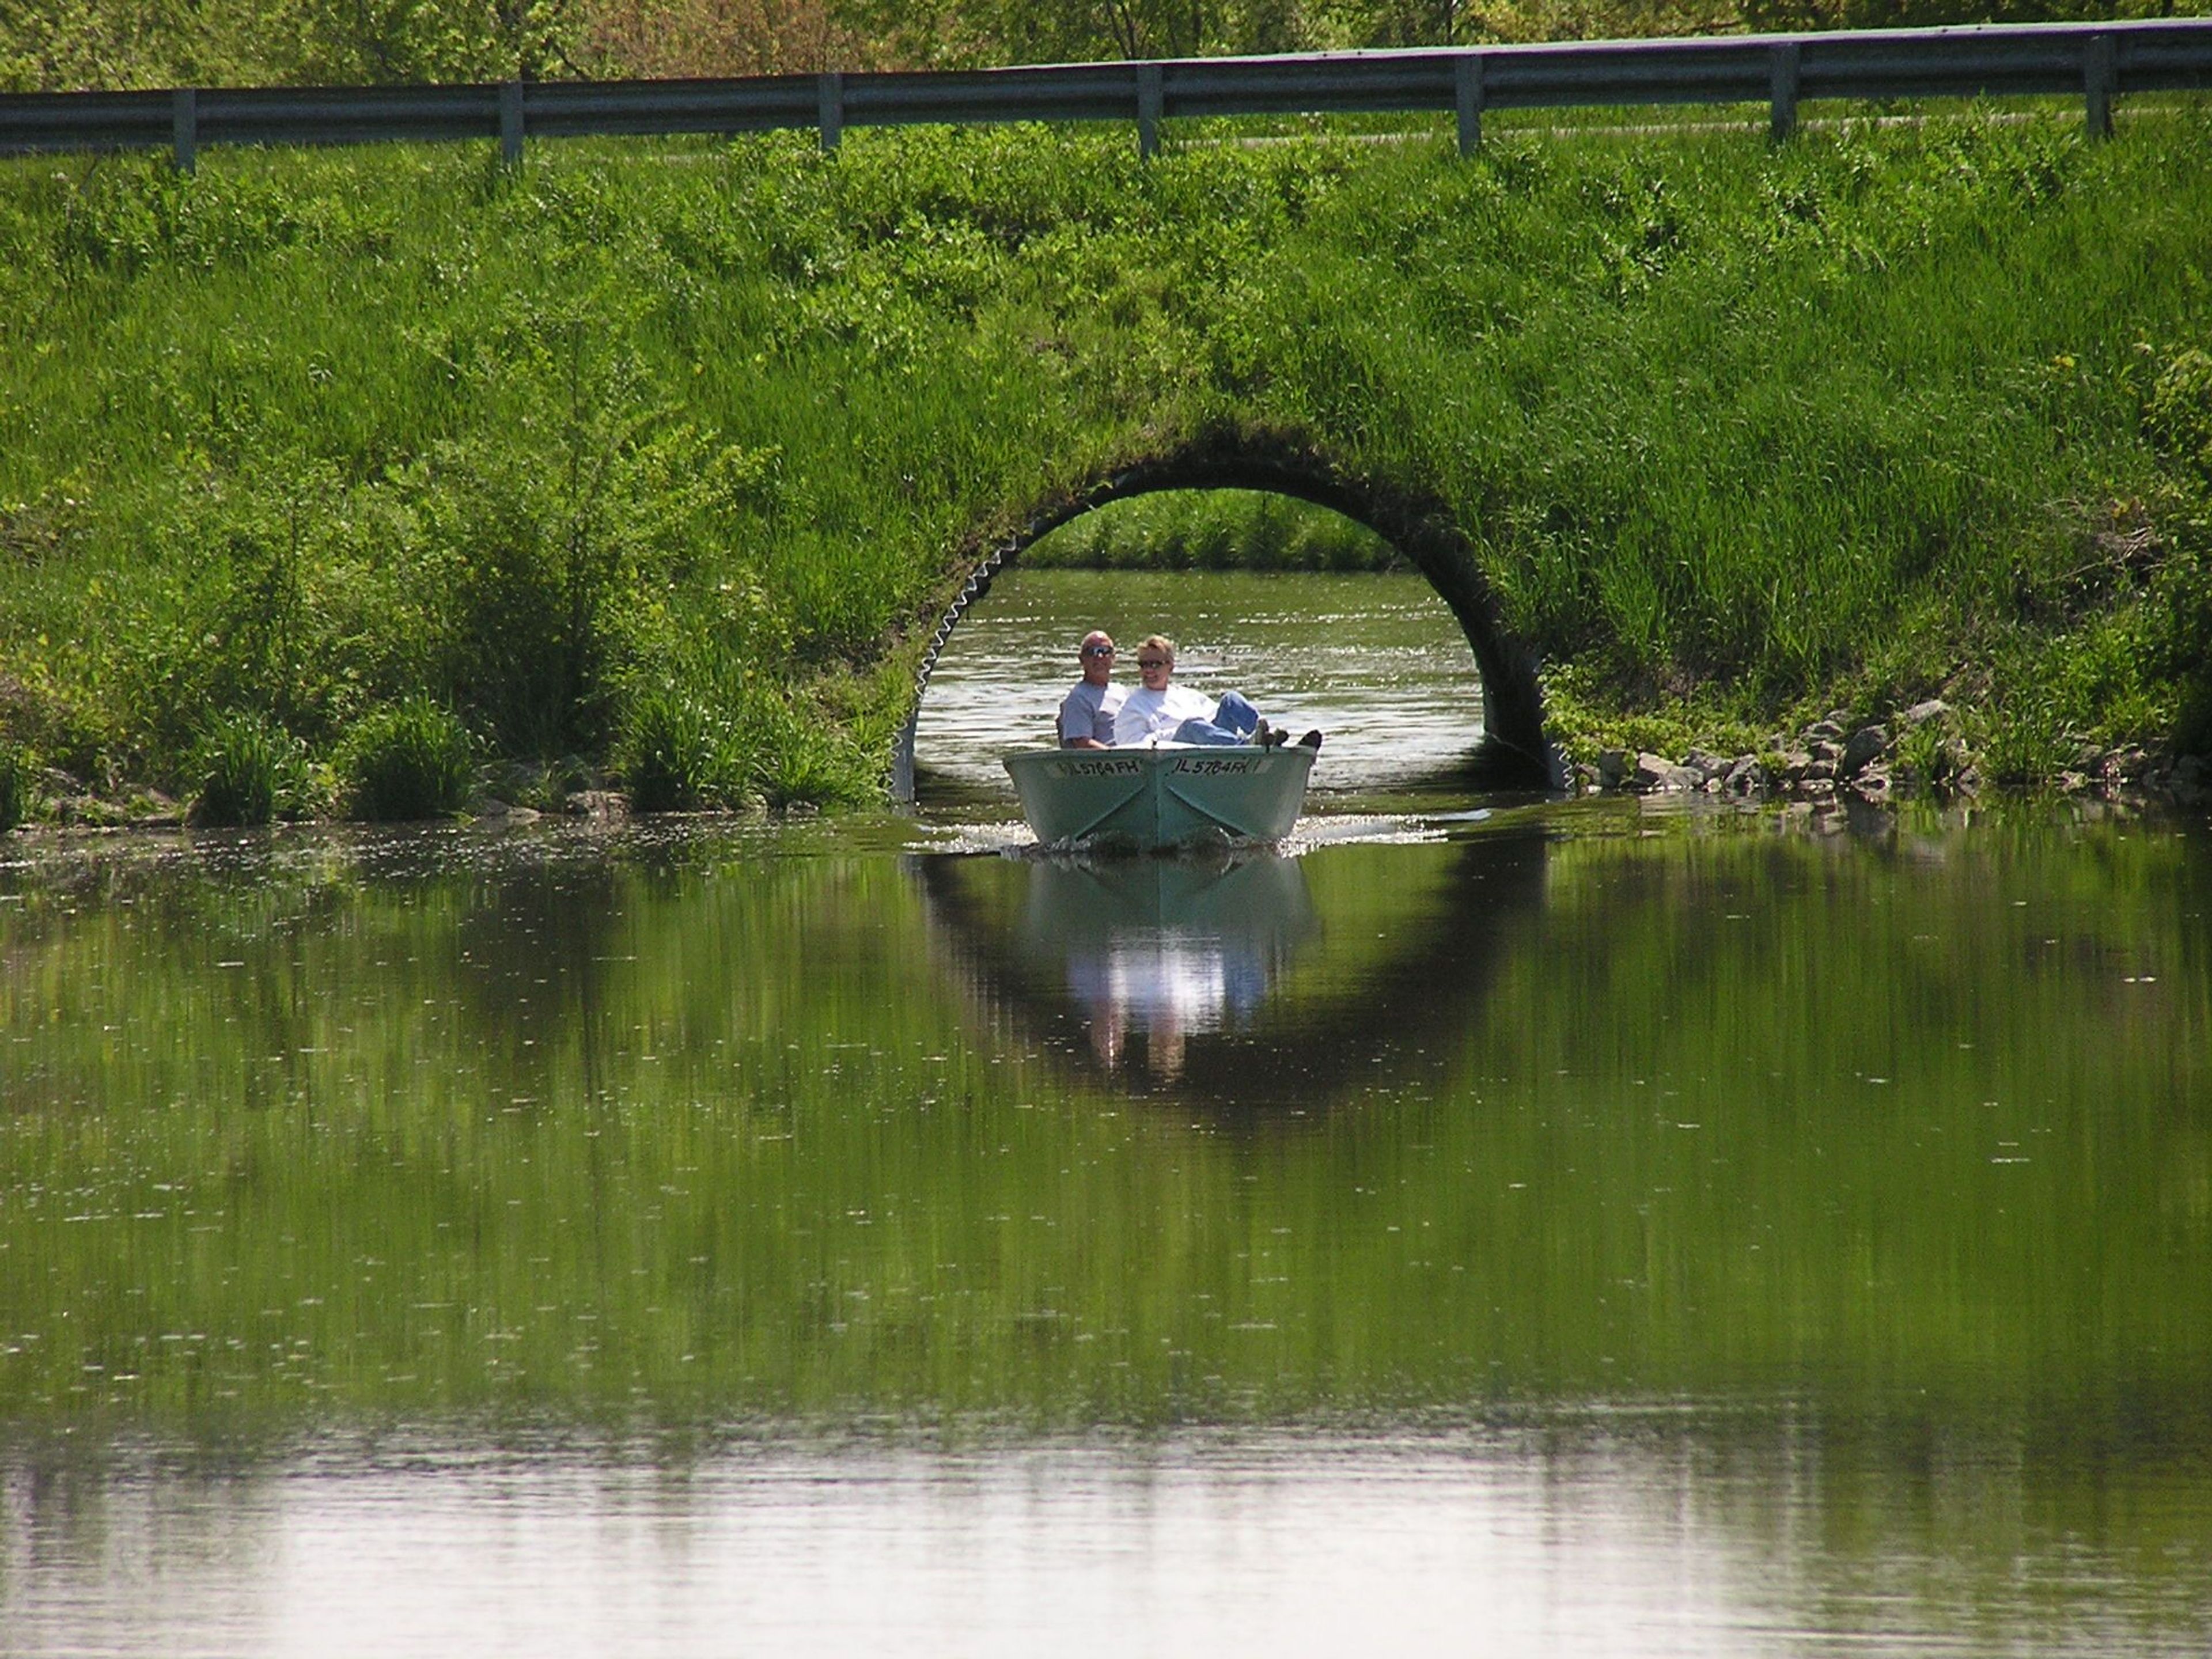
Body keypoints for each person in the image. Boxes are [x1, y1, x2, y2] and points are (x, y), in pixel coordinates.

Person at [1112, 634, 1320, 749]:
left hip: (1209, 748)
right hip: (1172, 754)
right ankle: (1247, 747)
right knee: (1192, 725)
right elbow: (1131, 745)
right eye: (1144, 664)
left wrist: (1207, 730)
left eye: (1156, 664)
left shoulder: (1186, 695)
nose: (1149, 670)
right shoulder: (1134, 704)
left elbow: (1214, 723)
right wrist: (1171, 734)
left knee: (1231, 699)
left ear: (1170, 666)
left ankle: (1267, 740)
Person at [1058, 630, 1124, 749]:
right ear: (1082, 660)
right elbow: (1083, 743)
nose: (1099, 657)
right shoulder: (1078, 698)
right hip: (1108, 761)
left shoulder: (1121, 691)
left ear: (1114, 657)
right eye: (1091, 652)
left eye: (1105, 651)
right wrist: (1117, 755)